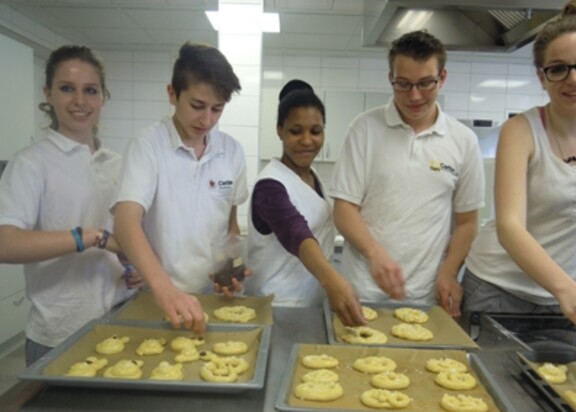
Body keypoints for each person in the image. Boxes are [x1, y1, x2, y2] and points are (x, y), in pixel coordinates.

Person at [329, 30, 485, 319]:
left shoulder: (463, 141)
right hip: (362, 293)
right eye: (403, 84)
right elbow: (344, 209)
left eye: (425, 83)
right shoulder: (364, 129)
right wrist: (375, 253)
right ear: (391, 79)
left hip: (426, 296)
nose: (414, 96)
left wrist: (449, 272)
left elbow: (467, 222)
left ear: (443, 77)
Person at [0, 45, 139, 366]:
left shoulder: (118, 164)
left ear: (103, 97)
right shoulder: (32, 163)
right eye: (67, 88)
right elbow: (5, 242)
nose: (80, 100)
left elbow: (130, 237)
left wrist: (137, 269)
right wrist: (90, 237)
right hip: (58, 334)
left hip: (121, 319)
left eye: (90, 90)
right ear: (48, 93)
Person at [112, 42, 248, 334]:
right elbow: (125, 223)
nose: (207, 120)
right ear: (172, 94)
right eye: (197, 106)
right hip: (156, 301)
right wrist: (166, 290)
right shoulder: (148, 145)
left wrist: (227, 272)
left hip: (209, 302)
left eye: (217, 109)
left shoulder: (232, 152)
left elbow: (230, 227)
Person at [462, 1, 576, 326]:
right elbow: (510, 227)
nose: (572, 79)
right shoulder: (521, 131)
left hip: (561, 295)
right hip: (498, 289)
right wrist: (566, 288)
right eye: (558, 68)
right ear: (542, 77)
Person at [245, 80, 365, 326]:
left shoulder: (313, 177)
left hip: (309, 306)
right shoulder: (270, 185)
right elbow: (295, 231)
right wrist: (333, 280)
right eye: (295, 131)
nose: (307, 140)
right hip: (277, 309)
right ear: (279, 130)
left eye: (315, 131)